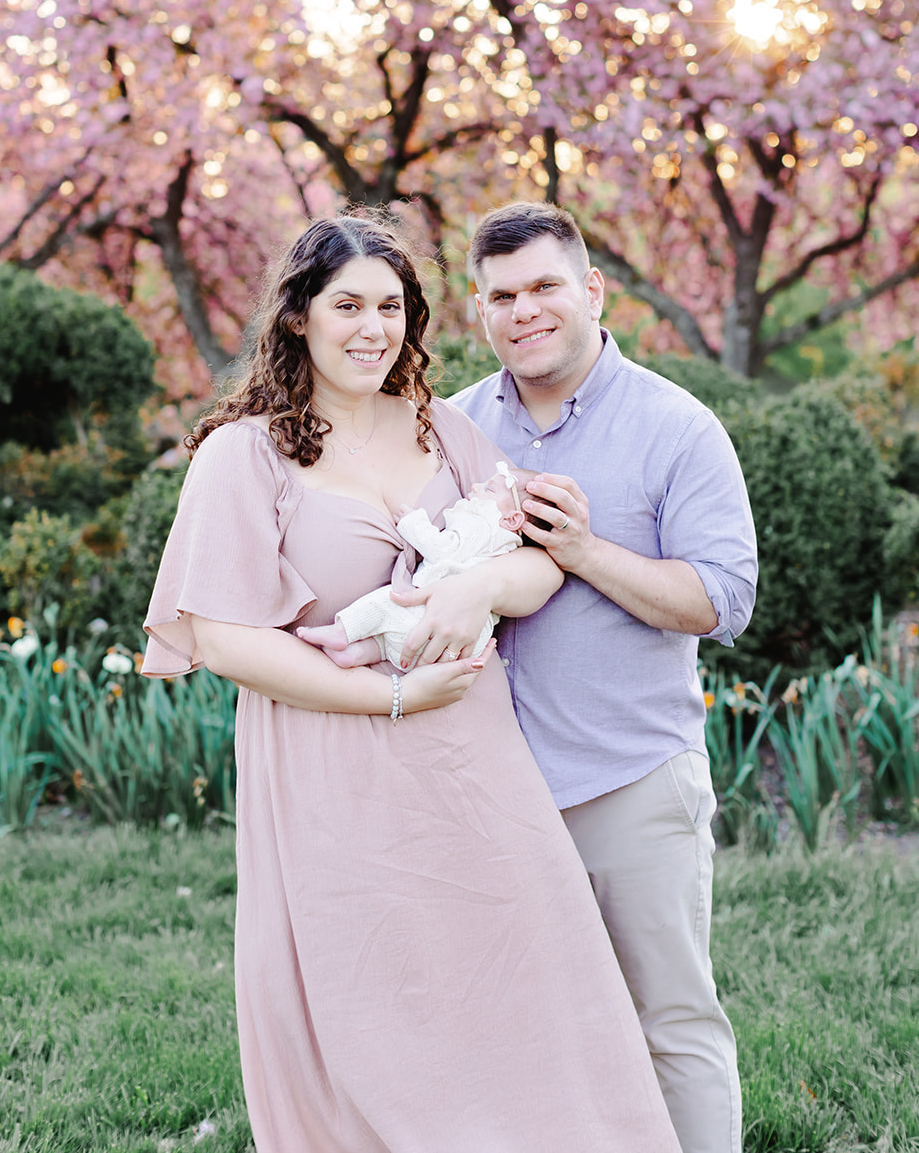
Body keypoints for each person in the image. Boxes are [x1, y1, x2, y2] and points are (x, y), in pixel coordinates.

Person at [142, 215, 680, 1153]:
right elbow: (222, 638)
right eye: (346, 305)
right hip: (328, 759)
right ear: (298, 316)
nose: (370, 328)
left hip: (473, 762)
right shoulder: (245, 454)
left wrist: (477, 585)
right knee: (371, 999)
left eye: (390, 306)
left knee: (528, 988)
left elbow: (539, 563)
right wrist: (385, 697)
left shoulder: (449, 428)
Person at [450, 202, 757, 1153]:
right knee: (516, 1039)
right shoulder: (454, 429)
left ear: (590, 290)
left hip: (628, 782)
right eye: (502, 295)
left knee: (670, 1025)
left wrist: (583, 551)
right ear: (479, 309)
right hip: (490, 793)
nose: (523, 311)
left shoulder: (676, 427)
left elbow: (720, 601)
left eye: (544, 286)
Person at [297, 462, 529, 667]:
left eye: (489, 489)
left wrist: (413, 523)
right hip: (465, 639)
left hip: (431, 616)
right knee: (390, 639)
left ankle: (342, 630)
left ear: (512, 519)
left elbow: (444, 550)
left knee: (388, 601)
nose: (476, 486)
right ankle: (357, 655)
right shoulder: (507, 547)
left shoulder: (483, 525)